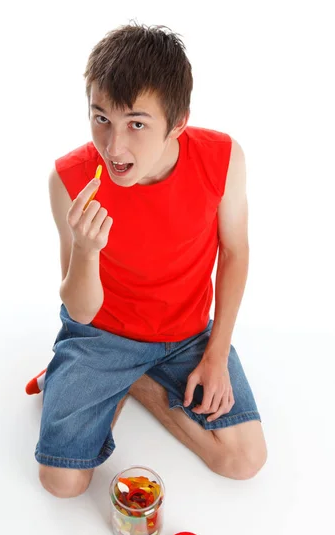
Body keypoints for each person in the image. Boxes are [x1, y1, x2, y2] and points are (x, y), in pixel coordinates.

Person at [34, 23, 267, 498]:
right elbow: (79, 311)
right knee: (62, 483)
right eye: (101, 118)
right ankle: (109, 375)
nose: (114, 147)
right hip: (101, 335)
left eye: (136, 124)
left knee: (244, 460)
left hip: (187, 336)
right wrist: (85, 249)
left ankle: (136, 383)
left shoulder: (223, 158)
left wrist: (217, 354)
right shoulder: (69, 180)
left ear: (177, 122)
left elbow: (237, 252)